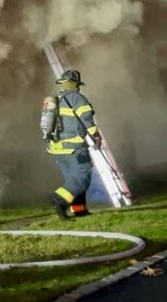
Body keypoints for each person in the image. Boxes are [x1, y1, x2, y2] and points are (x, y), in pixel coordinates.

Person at [40, 69, 101, 220]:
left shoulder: (57, 100)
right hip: (74, 148)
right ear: (75, 84)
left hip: (58, 149)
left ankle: (79, 209)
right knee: (82, 177)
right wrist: (95, 135)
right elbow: (87, 119)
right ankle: (58, 200)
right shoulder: (77, 98)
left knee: (72, 179)